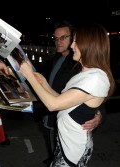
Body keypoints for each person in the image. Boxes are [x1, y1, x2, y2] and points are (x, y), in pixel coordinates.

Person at [20, 23, 115, 166]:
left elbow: (53, 105)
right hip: (66, 141)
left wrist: (30, 77)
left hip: (73, 148)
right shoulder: (86, 73)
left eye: (75, 41)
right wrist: (44, 83)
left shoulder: (96, 78)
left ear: (88, 45)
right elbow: (61, 100)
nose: (71, 46)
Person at [40, 21, 103, 165]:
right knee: (55, 149)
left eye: (63, 37)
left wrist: (99, 116)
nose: (58, 42)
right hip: (51, 118)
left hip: (67, 122)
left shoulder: (80, 65)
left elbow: (97, 95)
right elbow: (47, 83)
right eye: (56, 38)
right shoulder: (56, 58)